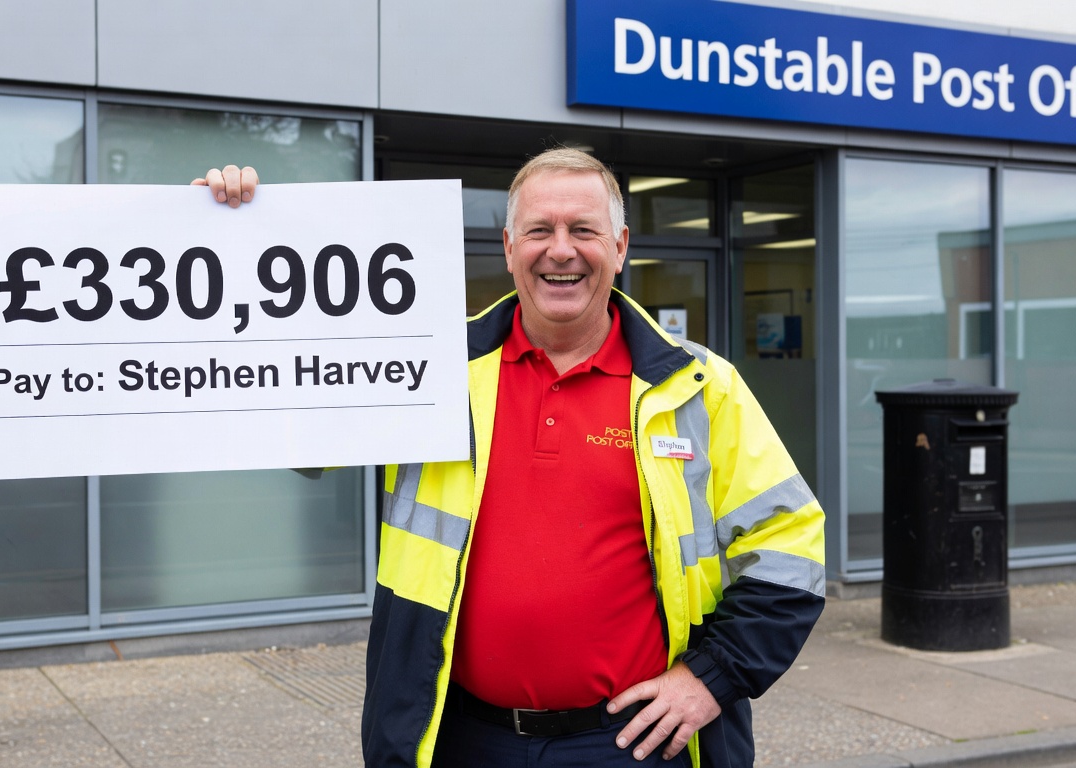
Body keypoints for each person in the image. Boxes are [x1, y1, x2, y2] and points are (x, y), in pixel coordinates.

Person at [197, 149, 826, 768]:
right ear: (507, 247)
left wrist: (712, 676)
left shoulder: (700, 386)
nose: (560, 250)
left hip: (632, 745)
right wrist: (241, 232)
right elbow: (302, 440)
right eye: (539, 230)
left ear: (622, 246)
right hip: (462, 740)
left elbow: (791, 543)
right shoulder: (426, 368)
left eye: (583, 230)